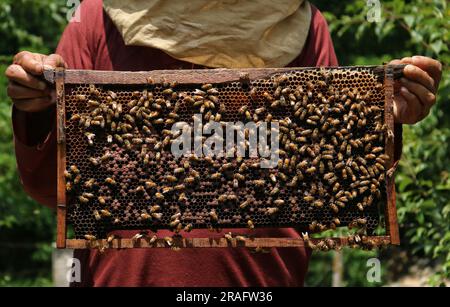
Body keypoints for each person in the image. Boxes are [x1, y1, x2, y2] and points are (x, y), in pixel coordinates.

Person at [5, 0, 442, 287]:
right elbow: (56, 187)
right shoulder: (96, 18)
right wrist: (38, 108)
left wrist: (378, 119)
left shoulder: (305, 25)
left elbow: (324, 194)